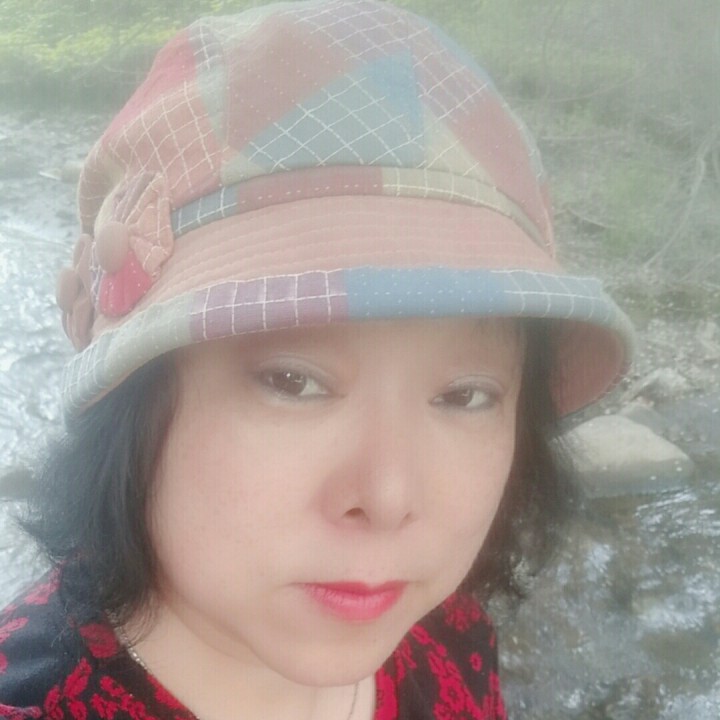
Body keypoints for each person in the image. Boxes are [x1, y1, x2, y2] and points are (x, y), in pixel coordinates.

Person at [0, 1, 634, 718]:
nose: (388, 497)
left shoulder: (449, 639)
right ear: (130, 393)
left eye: (465, 396)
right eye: (294, 381)